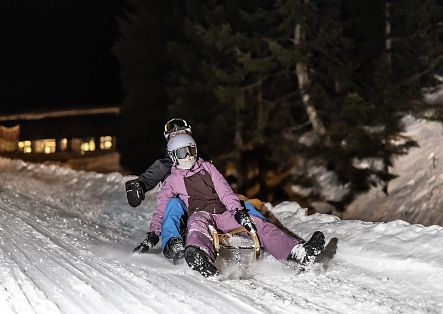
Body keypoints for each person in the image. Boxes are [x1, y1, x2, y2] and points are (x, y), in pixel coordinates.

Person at [147, 133, 325, 277]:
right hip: (199, 212)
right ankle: (199, 255)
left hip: (223, 213)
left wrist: (238, 211)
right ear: (173, 157)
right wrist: (154, 233)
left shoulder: (208, 168)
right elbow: (162, 209)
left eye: (190, 150)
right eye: (181, 153)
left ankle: (297, 253)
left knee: (256, 222)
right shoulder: (172, 180)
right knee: (197, 226)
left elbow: (224, 190)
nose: (187, 156)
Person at [125, 118, 266, 262]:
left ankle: (264, 234)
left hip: (210, 204)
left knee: (242, 205)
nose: (179, 138)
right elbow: (149, 183)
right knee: (173, 203)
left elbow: (218, 184)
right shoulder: (164, 165)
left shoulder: (201, 159)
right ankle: (173, 243)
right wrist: (138, 186)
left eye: (183, 133)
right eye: (174, 135)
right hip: (185, 209)